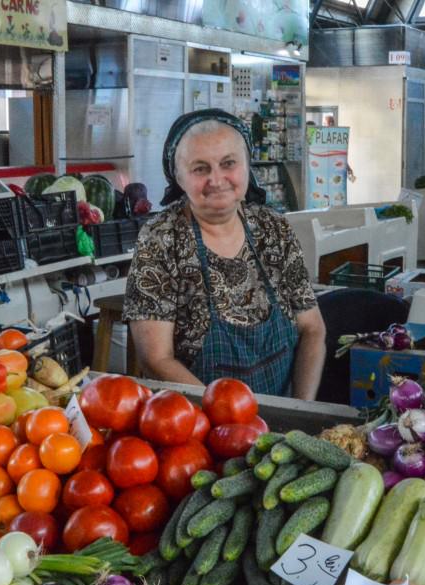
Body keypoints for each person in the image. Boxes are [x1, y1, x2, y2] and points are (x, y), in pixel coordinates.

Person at [122, 109, 326, 399]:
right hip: (201, 421)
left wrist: (301, 414)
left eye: (228, 163)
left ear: (247, 167)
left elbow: (313, 329)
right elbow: (156, 359)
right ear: (178, 177)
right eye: (200, 168)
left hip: (283, 417)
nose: (217, 180)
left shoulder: (274, 229)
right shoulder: (161, 239)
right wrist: (231, 417)